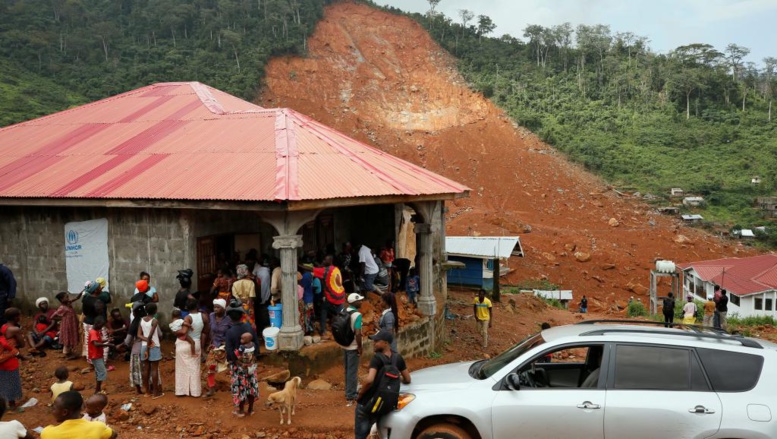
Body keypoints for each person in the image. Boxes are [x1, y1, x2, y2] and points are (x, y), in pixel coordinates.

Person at [354, 330, 411, 439]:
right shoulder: (398, 358)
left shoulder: (377, 358)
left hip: (368, 404)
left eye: (376, 341)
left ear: (386, 343)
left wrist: (360, 395)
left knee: (360, 435)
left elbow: (369, 380)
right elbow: (407, 379)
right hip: (385, 406)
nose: (373, 343)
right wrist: (396, 378)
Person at [224, 301, 259, 418]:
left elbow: (229, 351)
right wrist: (252, 359)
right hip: (250, 364)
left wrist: (236, 361)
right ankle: (251, 410)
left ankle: (240, 411)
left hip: (237, 366)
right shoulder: (249, 327)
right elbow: (257, 346)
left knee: (240, 387)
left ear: (229, 316)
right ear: (242, 315)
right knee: (251, 386)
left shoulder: (229, 332)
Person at [41, 391, 116, 439]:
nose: (52, 410)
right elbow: (113, 434)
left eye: (54, 407)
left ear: (64, 412)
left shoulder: (47, 433)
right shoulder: (98, 427)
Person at [304, 255, 346, 338]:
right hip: (340, 295)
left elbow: (313, 269)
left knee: (324, 310)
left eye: (325, 260)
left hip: (332, 296)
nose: (323, 261)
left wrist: (299, 265)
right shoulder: (335, 269)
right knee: (341, 314)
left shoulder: (326, 270)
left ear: (330, 261)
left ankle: (323, 330)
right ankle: (343, 330)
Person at [175, 299, 207, 397]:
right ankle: (195, 392)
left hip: (183, 344)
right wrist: (202, 347)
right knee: (194, 368)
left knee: (181, 368)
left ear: (186, 308)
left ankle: (181, 391)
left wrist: (176, 331)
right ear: (197, 306)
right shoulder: (204, 317)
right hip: (196, 343)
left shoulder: (187, 317)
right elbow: (205, 333)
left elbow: (184, 332)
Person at [205, 298, 232, 398]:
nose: (216, 309)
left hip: (224, 347)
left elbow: (232, 333)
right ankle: (211, 388)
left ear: (224, 308)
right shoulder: (211, 316)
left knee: (228, 368)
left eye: (218, 307)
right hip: (214, 345)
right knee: (210, 366)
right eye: (214, 307)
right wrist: (209, 342)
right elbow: (210, 331)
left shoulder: (228, 320)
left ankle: (234, 387)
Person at [0, 309, 26, 409]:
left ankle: (3, 401)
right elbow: (22, 344)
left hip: (2, 357)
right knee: (12, 379)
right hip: (10, 358)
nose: (20, 318)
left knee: (3, 379)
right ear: (15, 317)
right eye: (19, 316)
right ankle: (12, 404)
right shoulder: (15, 329)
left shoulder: (3, 326)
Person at [137, 303, 162, 398]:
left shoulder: (141, 320)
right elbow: (150, 336)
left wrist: (146, 342)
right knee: (154, 369)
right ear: (155, 311)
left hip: (143, 346)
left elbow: (139, 335)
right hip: (153, 346)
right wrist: (149, 343)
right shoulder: (154, 321)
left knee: (145, 369)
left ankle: (147, 392)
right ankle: (155, 393)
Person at [343, 293, 364, 406]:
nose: (361, 302)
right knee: (352, 371)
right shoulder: (357, 315)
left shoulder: (344, 311)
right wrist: (360, 347)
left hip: (345, 344)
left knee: (347, 369)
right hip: (353, 346)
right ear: (354, 302)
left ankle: (348, 390)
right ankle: (351, 395)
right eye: (359, 300)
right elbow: (358, 333)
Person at [82, 281, 110, 365]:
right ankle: (102, 363)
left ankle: (91, 362)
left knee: (89, 343)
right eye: (98, 287)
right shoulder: (99, 303)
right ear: (95, 290)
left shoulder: (86, 299)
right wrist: (110, 328)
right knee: (104, 343)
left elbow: (85, 313)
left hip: (87, 323)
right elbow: (103, 317)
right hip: (98, 326)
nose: (100, 288)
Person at [51, 291, 82, 360]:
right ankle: (67, 354)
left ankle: (70, 352)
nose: (68, 298)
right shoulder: (62, 308)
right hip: (67, 325)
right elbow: (52, 316)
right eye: (66, 297)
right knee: (67, 338)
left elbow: (77, 298)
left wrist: (81, 292)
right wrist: (63, 318)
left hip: (72, 325)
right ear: (62, 300)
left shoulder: (68, 303)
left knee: (71, 337)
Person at [88, 316, 114, 394]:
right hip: (95, 355)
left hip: (97, 354)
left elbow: (98, 341)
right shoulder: (93, 332)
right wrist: (108, 345)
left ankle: (98, 388)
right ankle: (97, 389)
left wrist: (107, 340)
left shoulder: (96, 331)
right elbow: (96, 344)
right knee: (102, 372)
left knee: (99, 371)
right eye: (101, 325)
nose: (102, 327)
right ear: (97, 324)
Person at [252, 257, 272, 335]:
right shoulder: (266, 271)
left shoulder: (259, 269)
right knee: (264, 313)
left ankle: (261, 330)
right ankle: (264, 330)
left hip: (260, 296)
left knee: (261, 314)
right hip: (265, 296)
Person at [299, 270, 320, 335]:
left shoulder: (305, 277)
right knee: (310, 315)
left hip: (306, 299)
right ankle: (311, 330)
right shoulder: (309, 276)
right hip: (310, 299)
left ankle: (307, 330)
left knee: (306, 316)